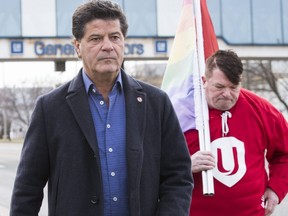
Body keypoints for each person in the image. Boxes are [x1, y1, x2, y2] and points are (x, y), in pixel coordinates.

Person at [10, 0, 193, 215]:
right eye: (96, 38)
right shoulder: (49, 108)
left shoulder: (157, 103)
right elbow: (27, 187)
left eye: (115, 37)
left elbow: (178, 177)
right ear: (77, 46)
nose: (108, 46)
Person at [185, 49, 288, 216]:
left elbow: (285, 153)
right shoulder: (180, 112)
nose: (227, 94)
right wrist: (186, 165)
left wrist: (277, 188)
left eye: (233, 87)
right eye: (219, 87)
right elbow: (151, 163)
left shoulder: (262, 110)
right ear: (205, 80)